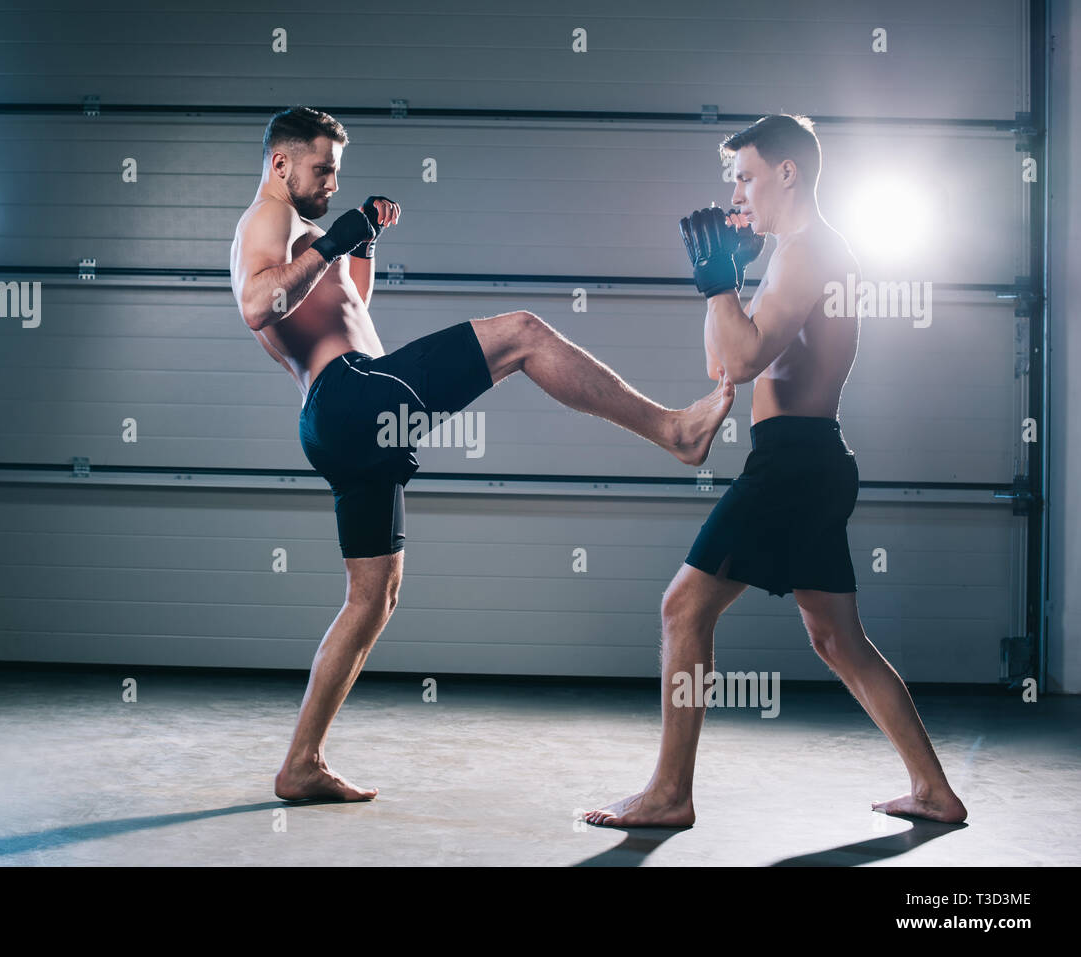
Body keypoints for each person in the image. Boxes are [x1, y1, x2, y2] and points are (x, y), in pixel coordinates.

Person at [230, 106, 734, 802]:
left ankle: (301, 763)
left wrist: (360, 245)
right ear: (282, 164)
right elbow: (259, 303)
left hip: (344, 415)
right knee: (520, 333)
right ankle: (673, 431)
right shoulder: (266, 220)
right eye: (322, 169)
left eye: (337, 171)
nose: (331, 182)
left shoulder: (299, 232)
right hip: (349, 398)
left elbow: (350, 313)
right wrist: (331, 241)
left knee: (373, 598)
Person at [585, 114, 968, 827]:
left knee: (682, 607)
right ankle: (933, 790)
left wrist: (717, 285)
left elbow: (747, 359)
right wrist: (722, 279)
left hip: (793, 461)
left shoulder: (809, 252)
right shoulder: (794, 253)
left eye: (746, 176)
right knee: (836, 638)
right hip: (810, 458)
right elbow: (721, 363)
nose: (738, 191)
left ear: (787, 172)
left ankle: (669, 793)